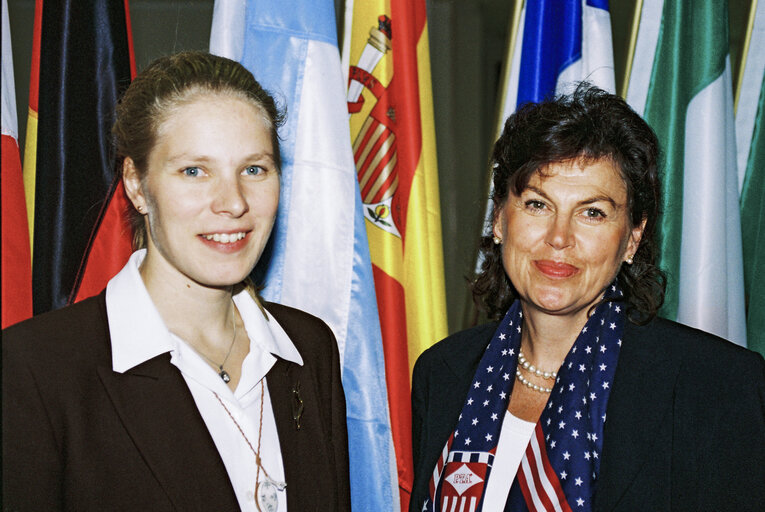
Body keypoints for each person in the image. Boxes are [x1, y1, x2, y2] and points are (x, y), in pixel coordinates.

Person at [3, 51, 351, 511]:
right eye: (194, 171)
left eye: (254, 169)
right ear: (136, 183)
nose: (233, 203)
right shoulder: (33, 369)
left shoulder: (309, 347)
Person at [410, 85, 765, 512]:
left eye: (592, 212)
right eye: (538, 204)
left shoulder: (716, 386)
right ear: (500, 219)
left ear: (633, 238)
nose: (559, 238)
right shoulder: (443, 372)